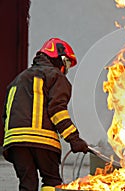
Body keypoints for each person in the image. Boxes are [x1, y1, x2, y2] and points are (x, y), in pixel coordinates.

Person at [1, 38, 89, 191]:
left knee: (27, 184)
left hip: (15, 142)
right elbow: (57, 111)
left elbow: (6, 116)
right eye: (67, 63)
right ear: (59, 58)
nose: (66, 69)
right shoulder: (55, 76)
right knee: (51, 181)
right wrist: (74, 139)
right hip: (42, 141)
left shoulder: (17, 80)